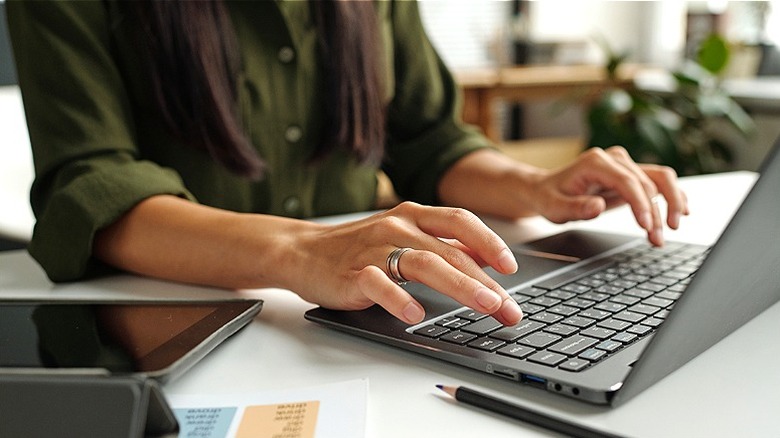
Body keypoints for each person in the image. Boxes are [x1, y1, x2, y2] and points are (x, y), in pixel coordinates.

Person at [7, 1, 687, 328]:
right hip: (172, 327)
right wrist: (302, 249)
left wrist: (535, 185)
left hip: (368, 321)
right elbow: (90, 188)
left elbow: (429, 138)